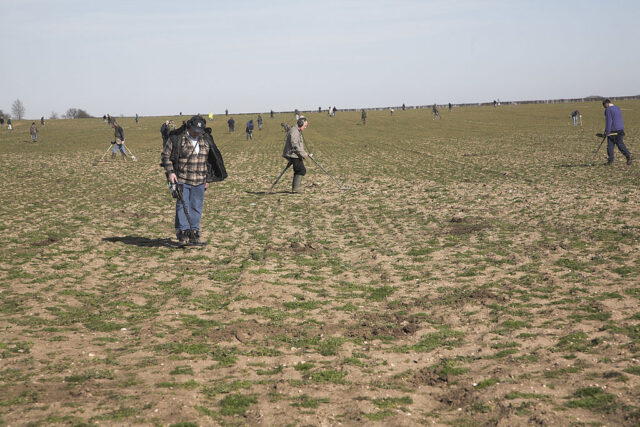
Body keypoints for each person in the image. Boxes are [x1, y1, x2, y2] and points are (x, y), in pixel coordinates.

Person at [161, 115, 227, 246]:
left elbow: (210, 160)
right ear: (189, 127)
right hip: (182, 179)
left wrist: (208, 178)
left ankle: (194, 232)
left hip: (200, 181)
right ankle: (183, 232)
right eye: (194, 130)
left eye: (199, 131)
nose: (196, 133)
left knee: (196, 207)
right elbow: (165, 156)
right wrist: (171, 173)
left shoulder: (205, 140)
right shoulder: (177, 138)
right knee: (182, 205)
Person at [282, 116, 309, 193]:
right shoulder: (294, 131)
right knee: (300, 170)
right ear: (300, 124)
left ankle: (295, 188)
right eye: (305, 126)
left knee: (299, 169)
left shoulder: (297, 130)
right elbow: (294, 144)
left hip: (295, 154)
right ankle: (296, 189)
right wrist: (303, 153)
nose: (305, 127)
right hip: (293, 154)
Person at [602, 99, 632, 165]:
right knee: (619, 144)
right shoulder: (617, 108)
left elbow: (609, 121)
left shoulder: (608, 110)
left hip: (613, 130)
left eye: (604, 106)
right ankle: (627, 156)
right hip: (620, 129)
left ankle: (611, 160)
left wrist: (607, 131)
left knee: (610, 146)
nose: (604, 107)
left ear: (606, 104)